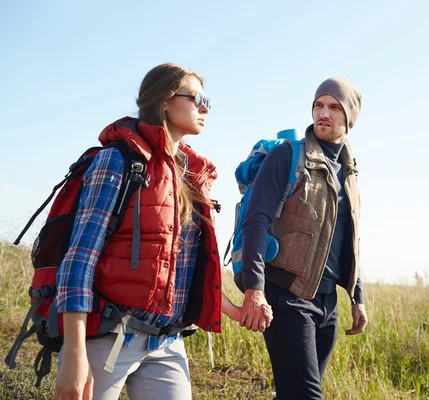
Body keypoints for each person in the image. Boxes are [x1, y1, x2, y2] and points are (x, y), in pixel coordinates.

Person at [53, 63, 272, 400]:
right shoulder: (119, 160)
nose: (205, 107)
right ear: (165, 100)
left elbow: (185, 271)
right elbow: (80, 259)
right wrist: (74, 352)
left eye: (207, 100)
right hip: (110, 337)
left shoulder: (193, 175)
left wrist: (236, 310)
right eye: (197, 97)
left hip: (167, 343)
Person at [239, 77, 368, 399]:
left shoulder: (349, 171)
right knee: (306, 395)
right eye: (318, 105)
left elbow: (348, 238)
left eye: (334, 107)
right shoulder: (287, 156)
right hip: (287, 294)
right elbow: (255, 221)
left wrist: (357, 297)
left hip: (328, 302)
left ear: (349, 116)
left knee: (293, 394)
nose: (323, 113)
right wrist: (255, 290)